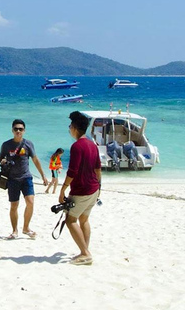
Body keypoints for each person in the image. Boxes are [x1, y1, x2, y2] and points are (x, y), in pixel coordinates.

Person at [60, 111, 101, 266]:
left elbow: (72, 171)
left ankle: (85, 253)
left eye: (70, 126)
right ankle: (85, 250)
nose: (69, 128)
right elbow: (98, 168)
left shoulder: (77, 146)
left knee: (70, 220)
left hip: (82, 191)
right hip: (94, 189)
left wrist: (62, 189)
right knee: (84, 219)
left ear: (75, 128)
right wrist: (99, 187)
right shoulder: (92, 144)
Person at [0, 119, 48, 240]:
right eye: (16, 129)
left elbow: (35, 160)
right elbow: (0, 158)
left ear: (24, 131)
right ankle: (15, 230)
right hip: (12, 179)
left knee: (30, 202)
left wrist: (43, 176)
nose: (18, 131)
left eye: (20, 129)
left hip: (26, 177)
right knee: (14, 205)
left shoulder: (28, 144)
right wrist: (3, 161)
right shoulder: (6, 145)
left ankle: (26, 228)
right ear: (12, 130)